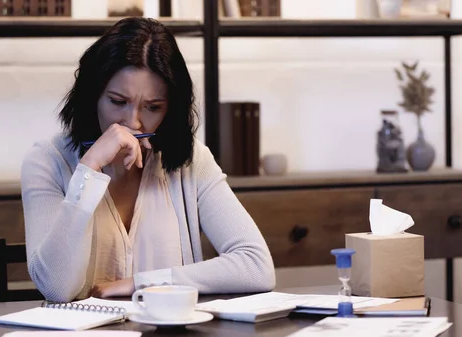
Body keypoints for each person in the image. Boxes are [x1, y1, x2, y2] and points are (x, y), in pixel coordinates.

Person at [20, 17, 275, 302]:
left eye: (153, 107)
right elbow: (57, 288)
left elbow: (256, 266)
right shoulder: (46, 161)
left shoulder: (192, 162)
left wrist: (143, 283)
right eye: (118, 102)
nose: (133, 123)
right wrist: (89, 170)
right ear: (93, 96)